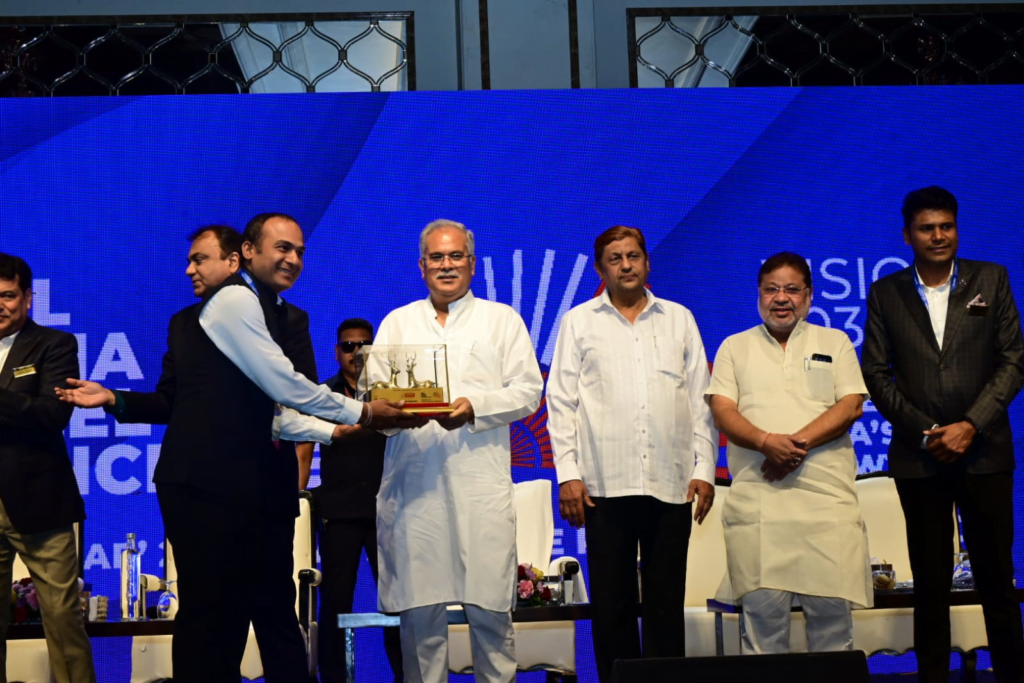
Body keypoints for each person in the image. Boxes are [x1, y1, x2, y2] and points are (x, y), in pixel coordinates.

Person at [59, 214, 421, 682]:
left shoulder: (284, 316)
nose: (293, 259)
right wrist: (116, 398)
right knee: (210, 614)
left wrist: (333, 429)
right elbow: (202, 397)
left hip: (259, 485)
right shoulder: (219, 308)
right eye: (282, 248)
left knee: (268, 609)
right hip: (202, 482)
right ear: (246, 254)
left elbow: (280, 402)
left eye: (299, 251)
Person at [862, 187, 1024, 682]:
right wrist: (928, 431)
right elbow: (876, 373)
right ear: (907, 235)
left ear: (956, 228)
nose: (938, 236)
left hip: (985, 451)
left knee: (996, 579)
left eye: (946, 226)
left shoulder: (990, 279)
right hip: (921, 456)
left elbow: (1013, 360)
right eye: (927, 228)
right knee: (930, 584)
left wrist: (970, 425)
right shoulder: (886, 292)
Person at [373, 219, 542, 683]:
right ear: (421, 266)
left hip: (479, 486)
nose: (446, 265)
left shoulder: (501, 320)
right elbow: (376, 398)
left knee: (491, 616)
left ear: (472, 263)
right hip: (415, 488)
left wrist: (475, 407)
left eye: (455, 256)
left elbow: (528, 391)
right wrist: (394, 415)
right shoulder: (398, 322)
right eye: (436, 257)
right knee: (420, 623)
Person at [546, 225, 716, 682]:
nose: (626, 265)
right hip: (603, 486)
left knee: (666, 608)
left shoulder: (678, 318)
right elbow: (561, 403)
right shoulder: (580, 321)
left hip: (671, 485)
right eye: (615, 258)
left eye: (633, 256)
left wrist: (705, 468)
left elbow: (701, 400)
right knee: (611, 609)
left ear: (647, 262)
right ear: (601, 269)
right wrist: (568, 474)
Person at [705, 251, 872, 654]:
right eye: (771, 289)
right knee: (763, 637)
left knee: (833, 633)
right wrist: (767, 443)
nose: (781, 298)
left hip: (826, 506)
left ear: (809, 297)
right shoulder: (734, 347)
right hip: (760, 509)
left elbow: (851, 405)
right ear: (759, 295)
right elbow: (723, 411)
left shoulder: (835, 342)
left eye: (792, 289)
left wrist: (792, 448)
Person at [0, 254, 96, 683]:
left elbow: (51, 414)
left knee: (61, 618)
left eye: (7, 296)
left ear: (28, 298)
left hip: (37, 500)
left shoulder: (54, 344)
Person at [313, 318, 403, 683]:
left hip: (388, 510)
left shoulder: (392, 393)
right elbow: (302, 449)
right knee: (335, 601)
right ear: (337, 352)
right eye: (348, 346)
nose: (356, 352)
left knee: (398, 602)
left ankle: (405, 675)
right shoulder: (323, 394)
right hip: (338, 512)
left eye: (364, 345)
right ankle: (333, 678)